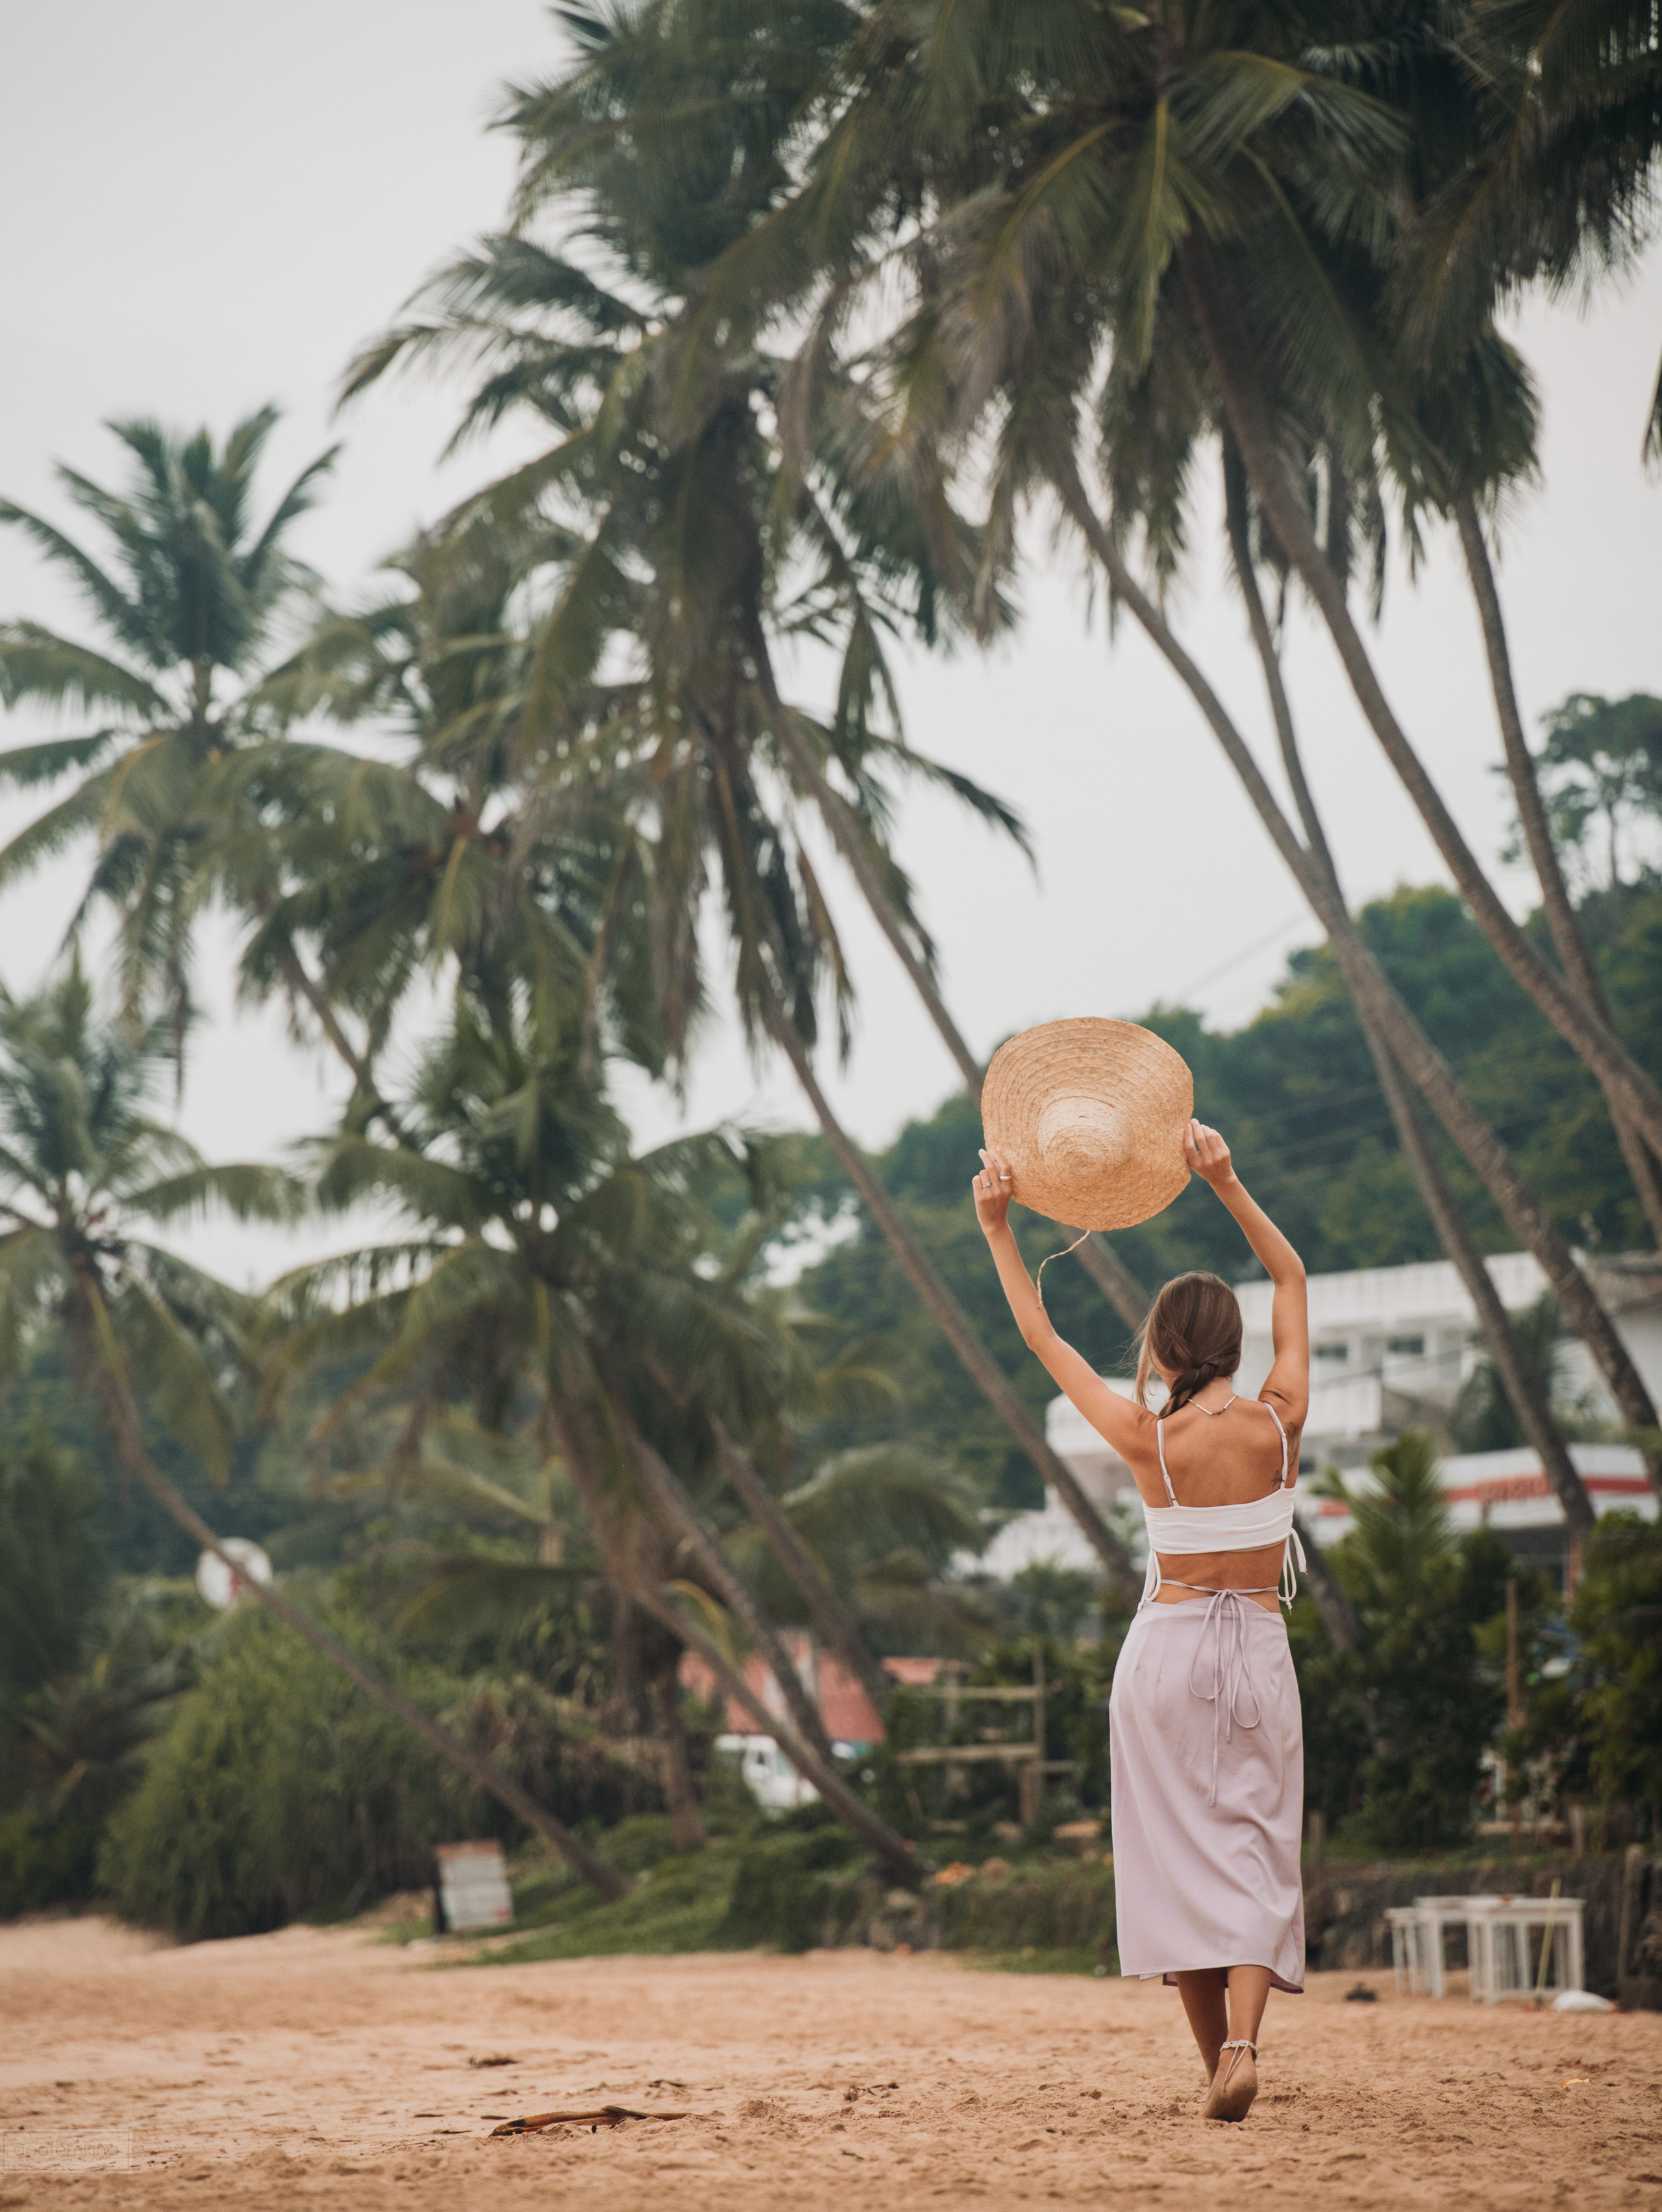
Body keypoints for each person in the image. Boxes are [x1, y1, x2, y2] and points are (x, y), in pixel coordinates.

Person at [973, 1119, 1309, 2124]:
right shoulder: (1281, 1419)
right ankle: (1242, 2046)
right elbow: (1291, 1277)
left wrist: (998, 1227)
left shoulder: (1143, 1437)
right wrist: (1227, 1182)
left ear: (1162, 1351)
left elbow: (1043, 1338)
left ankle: (1215, 2069)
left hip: (1164, 1657)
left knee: (1174, 1860)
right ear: (1236, 1346)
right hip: (1256, 1649)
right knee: (1256, 1845)